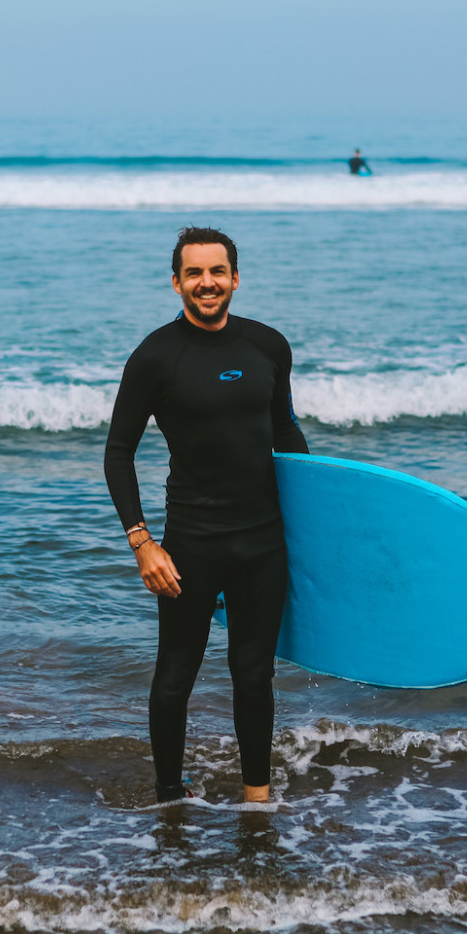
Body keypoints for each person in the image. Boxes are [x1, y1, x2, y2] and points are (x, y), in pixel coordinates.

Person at [104, 226, 309, 804]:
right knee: (176, 676)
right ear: (176, 283)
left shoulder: (269, 346)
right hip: (190, 543)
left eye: (217, 272)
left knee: (254, 675)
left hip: (263, 542)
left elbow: (284, 428)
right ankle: (169, 794)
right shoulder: (154, 357)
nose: (207, 283)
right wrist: (143, 543)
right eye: (194, 273)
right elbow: (118, 452)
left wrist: (320, 517)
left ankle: (257, 798)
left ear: (236, 278)